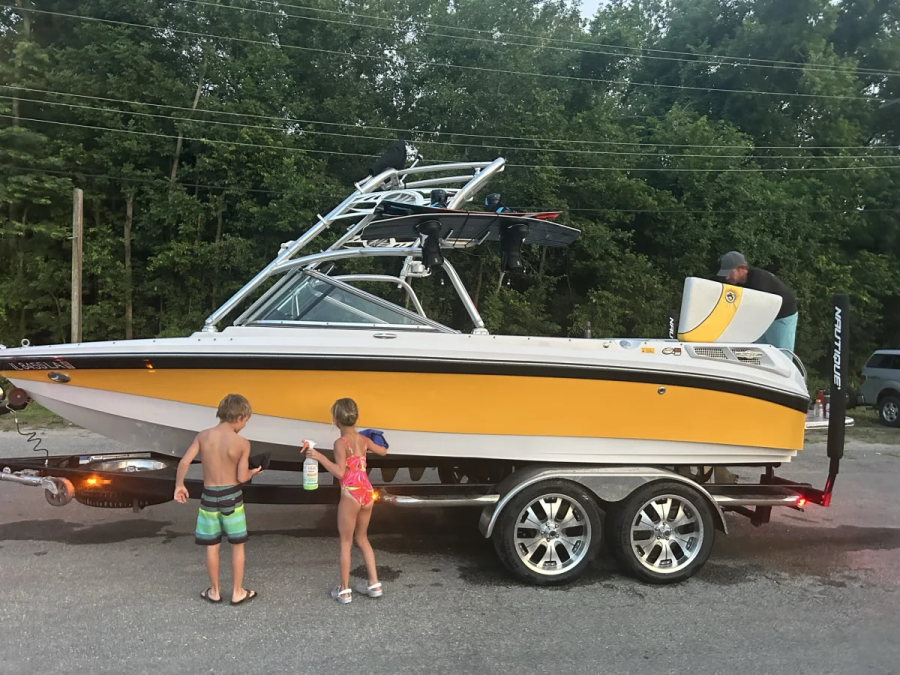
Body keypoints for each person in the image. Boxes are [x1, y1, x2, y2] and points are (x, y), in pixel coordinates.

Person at [174, 393, 262, 606]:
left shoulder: (203, 436)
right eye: (246, 421)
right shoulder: (241, 443)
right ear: (239, 417)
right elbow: (241, 477)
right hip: (232, 497)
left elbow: (184, 462)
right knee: (237, 545)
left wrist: (179, 485)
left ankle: (214, 591)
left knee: (212, 546)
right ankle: (237, 592)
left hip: (209, 497)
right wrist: (253, 472)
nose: (245, 426)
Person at [304, 398, 388, 604]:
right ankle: (374, 584)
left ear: (335, 421)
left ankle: (344, 590)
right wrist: (373, 436)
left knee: (346, 542)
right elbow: (383, 451)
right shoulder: (363, 440)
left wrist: (319, 457)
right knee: (363, 538)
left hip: (351, 492)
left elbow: (341, 473)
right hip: (367, 491)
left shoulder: (340, 443)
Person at [717, 251, 799, 352]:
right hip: (764, 318)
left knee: (781, 354)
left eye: (730, 273)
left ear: (742, 268)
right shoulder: (739, 285)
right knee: (759, 354)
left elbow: (755, 311)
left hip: (782, 316)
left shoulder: (759, 280)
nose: (727, 277)